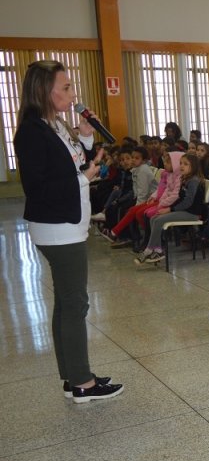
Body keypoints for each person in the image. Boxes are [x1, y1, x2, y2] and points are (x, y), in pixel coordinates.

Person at [14, 59, 123, 402]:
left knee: (65, 302)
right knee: (76, 304)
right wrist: (83, 178)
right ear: (44, 91)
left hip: (68, 222)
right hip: (57, 227)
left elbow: (74, 161)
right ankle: (83, 383)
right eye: (66, 87)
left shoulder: (56, 124)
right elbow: (39, 186)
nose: (73, 93)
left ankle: (71, 375)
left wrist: (87, 139)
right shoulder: (32, 131)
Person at [135, 153, 205, 265]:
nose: (181, 166)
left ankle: (149, 249)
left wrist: (170, 209)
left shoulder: (194, 181)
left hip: (192, 213)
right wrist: (169, 208)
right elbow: (179, 198)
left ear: (194, 167)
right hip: (183, 210)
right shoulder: (184, 178)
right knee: (154, 218)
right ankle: (157, 249)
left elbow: (188, 202)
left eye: (186, 164)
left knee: (158, 220)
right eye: (181, 163)